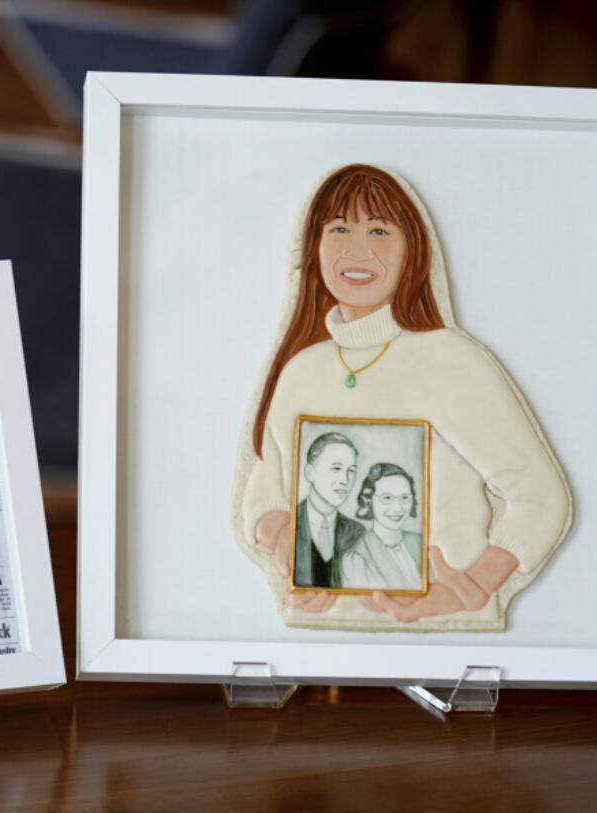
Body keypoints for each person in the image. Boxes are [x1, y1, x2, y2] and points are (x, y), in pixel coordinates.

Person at [233, 164, 571, 630]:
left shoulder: (451, 361)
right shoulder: (300, 370)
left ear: (413, 250)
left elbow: (539, 494)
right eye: (338, 228)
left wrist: (473, 586)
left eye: (378, 229)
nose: (357, 248)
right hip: (315, 654)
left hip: (446, 651)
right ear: (313, 248)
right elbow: (266, 483)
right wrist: (285, 540)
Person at [293, 431, 367, 589]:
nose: (345, 480)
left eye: (351, 471)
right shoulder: (289, 523)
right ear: (310, 473)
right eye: (336, 468)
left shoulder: (358, 533)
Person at [337, 462, 423, 591]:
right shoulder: (357, 558)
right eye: (387, 498)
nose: (398, 508)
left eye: (404, 498)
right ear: (369, 500)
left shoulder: (420, 542)